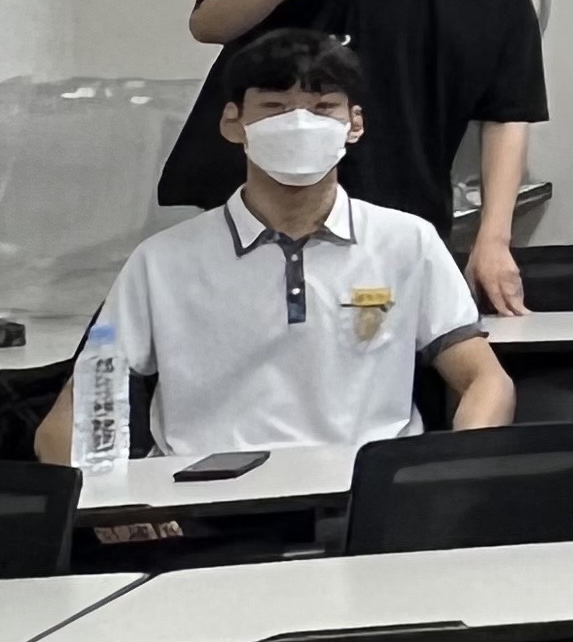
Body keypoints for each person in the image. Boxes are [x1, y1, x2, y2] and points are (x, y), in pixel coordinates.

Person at [44, 28, 508, 466]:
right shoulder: (161, 261)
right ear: (233, 123)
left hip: (364, 492)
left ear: (354, 124)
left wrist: (450, 478)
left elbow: (486, 380)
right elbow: (70, 417)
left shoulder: (407, 241)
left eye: (323, 107)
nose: (300, 124)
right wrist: (110, 500)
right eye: (274, 106)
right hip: (202, 499)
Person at [163, 0, 547, 313]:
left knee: (384, 351)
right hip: (267, 210)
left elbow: (509, 114)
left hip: (400, 216)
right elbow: (208, 24)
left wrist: (494, 239)